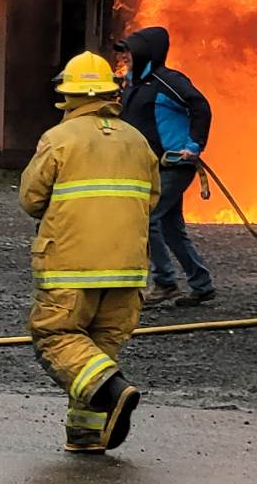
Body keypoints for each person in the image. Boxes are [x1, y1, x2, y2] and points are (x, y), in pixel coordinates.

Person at [19, 52, 158, 454]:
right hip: (128, 271)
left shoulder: (58, 139)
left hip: (70, 267)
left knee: (57, 336)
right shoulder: (137, 140)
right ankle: (86, 432)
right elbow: (151, 199)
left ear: (68, 95)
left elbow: (30, 199)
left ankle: (113, 393)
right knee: (96, 350)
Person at [115, 27, 214, 307]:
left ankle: (165, 283)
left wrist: (194, 146)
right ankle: (201, 283)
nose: (125, 57)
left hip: (173, 164)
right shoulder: (133, 84)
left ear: (146, 53)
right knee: (170, 226)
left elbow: (200, 106)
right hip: (151, 166)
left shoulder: (167, 81)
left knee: (148, 217)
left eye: (129, 51)